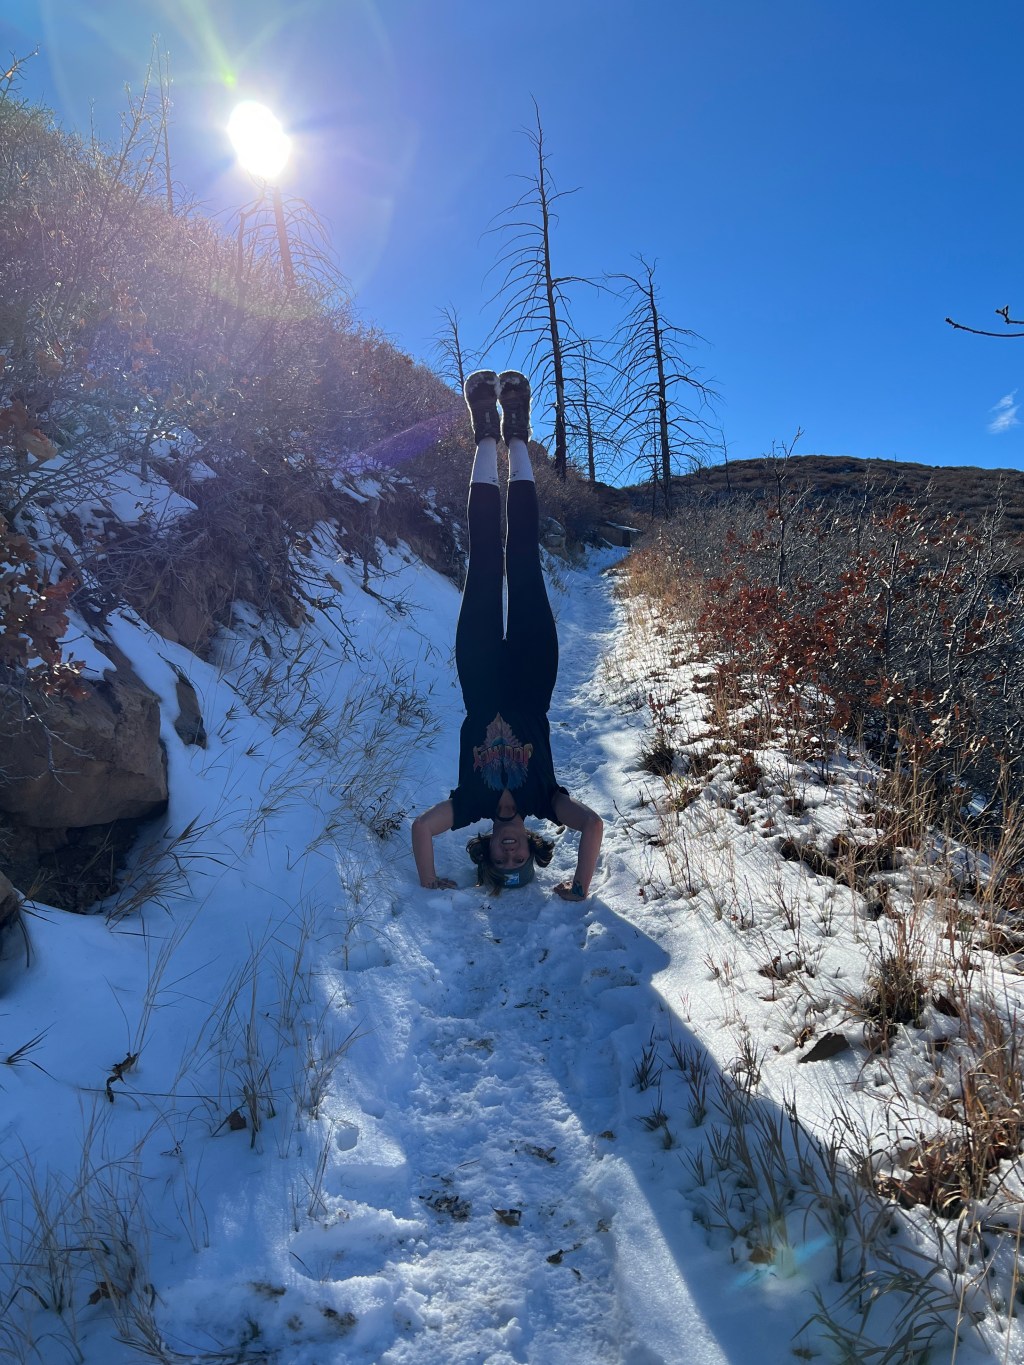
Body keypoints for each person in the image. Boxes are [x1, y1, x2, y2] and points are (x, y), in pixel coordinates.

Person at [411, 369, 603, 900]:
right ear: (534, 847)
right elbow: (592, 827)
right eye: (521, 859)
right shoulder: (547, 800)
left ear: (488, 851)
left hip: (478, 674)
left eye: (502, 859)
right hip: (533, 670)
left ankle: (484, 433)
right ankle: (516, 431)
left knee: (481, 564)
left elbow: (422, 829)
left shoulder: (469, 805)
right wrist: (581, 884)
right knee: (521, 561)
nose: (512, 853)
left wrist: (429, 880)